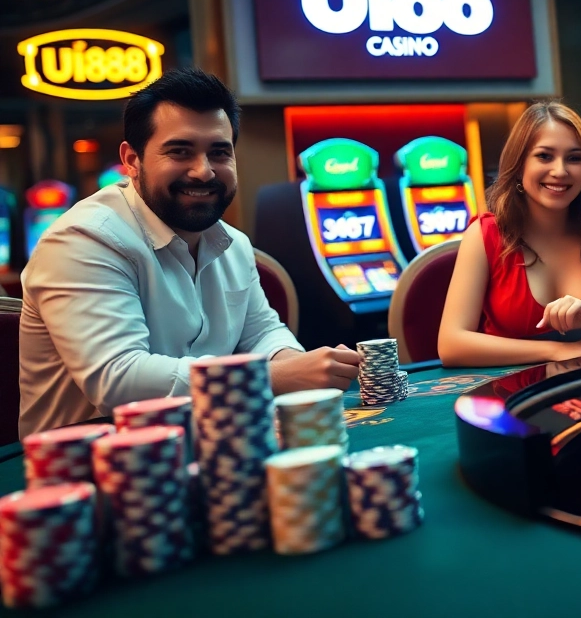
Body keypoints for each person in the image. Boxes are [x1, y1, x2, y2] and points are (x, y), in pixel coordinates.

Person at [19, 70, 362, 437]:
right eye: (180, 151)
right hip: (84, 471)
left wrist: (296, 364)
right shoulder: (83, 240)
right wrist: (272, 376)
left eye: (219, 152)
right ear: (132, 160)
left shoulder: (234, 244)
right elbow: (118, 380)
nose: (203, 171)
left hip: (208, 446)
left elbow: (263, 333)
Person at [438, 101, 581, 367]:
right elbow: (451, 344)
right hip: (509, 395)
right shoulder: (485, 234)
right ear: (519, 164)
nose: (560, 171)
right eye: (544, 156)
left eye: (574, 158)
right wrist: (555, 351)